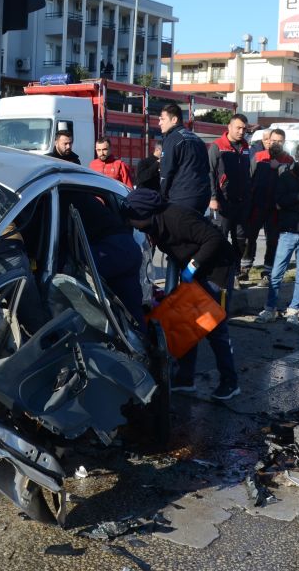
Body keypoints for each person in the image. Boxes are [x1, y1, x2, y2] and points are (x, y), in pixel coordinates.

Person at [122, 187, 240, 399]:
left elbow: (214, 239)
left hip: (217, 270)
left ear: (143, 214)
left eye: (132, 219)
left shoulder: (177, 218)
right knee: (187, 323)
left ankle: (230, 382)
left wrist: (193, 266)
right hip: (196, 272)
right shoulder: (154, 224)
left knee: (214, 327)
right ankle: (185, 379)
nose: (130, 223)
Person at [258, 141, 299, 323]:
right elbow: (280, 201)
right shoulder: (286, 177)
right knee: (276, 274)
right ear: (296, 157)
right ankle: (270, 309)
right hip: (287, 231)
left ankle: (294, 310)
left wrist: (292, 202)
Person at [62, 188, 145, 336]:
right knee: (132, 310)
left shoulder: (65, 195)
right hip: (126, 247)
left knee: (71, 275)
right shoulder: (78, 193)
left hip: (112, 249)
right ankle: (143, 342)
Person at [244, 128, 292, 287]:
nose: (276, 143)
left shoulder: (289, 160)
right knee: (249, 238)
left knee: (272, 241)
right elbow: (249, 178)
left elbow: (291, 182)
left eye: (279, 141)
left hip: (276, 209)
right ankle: (244, 268)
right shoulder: (258, 156)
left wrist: (279, 167)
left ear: (284, 142)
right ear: (268, 141)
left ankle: (267, 272)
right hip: (257, 205)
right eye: (273, 140)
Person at [208, 114, 253, 280]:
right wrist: (213, 197)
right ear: (229, 127)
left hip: (242, 202)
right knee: (220, 238)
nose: (241, 131)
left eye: (244, 129)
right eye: (238, 128)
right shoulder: (217, 146)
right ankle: (218, 275)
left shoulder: (246, 147)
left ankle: (234, 272)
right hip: (223, 202)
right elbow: (210, 173)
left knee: (240, 239)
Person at [157, 103, 211, 213]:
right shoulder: (197, 139)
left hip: (182, 198)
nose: (159, 123)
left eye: (162, 119)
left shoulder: (172, 138)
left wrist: (162, 196)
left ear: (174, 120)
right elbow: (206, 168)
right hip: (202, 196)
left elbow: (166, 171)